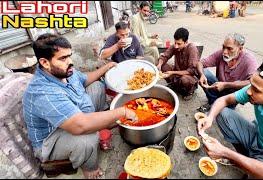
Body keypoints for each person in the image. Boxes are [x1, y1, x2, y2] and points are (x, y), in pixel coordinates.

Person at [22, 33, 137, 179]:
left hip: (74, 115)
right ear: (44, 63)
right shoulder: (42, 91)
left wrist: (107, 67)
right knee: (87, 137)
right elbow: (79, 125)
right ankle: (90, 168)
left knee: (97, 86)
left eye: (70, 55)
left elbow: (85, 79)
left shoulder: (64, 70)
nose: (70, 62)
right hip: (51, 140)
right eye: (63, 58)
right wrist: (123, 111)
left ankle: (99, 124)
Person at [196, 33, 258, 112]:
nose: (224, 52)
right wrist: (201, 75)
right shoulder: (220, 53)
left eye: (229, 49)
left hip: (233, 94)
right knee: (204, 72)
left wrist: (226, 85)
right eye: (223, 47)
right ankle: (212, 102)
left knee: (224, 113)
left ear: (240, 49)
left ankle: (226, 107)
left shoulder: (249, 60)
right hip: (218, 87)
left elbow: (252, 82)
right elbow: (200, 63)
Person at [156, 27, 199, 101]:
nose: (176, 46)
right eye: (175, 43)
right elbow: (165, 56)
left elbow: (191, 71)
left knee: (184, 79)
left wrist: (172, 72)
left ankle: (189, 91)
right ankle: (174, 84)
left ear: (186, 42)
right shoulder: (175, 46)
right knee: (161, 64)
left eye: (179, 44)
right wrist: (159, 64)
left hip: (189, 77)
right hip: (177, 73)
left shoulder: (192, 49)